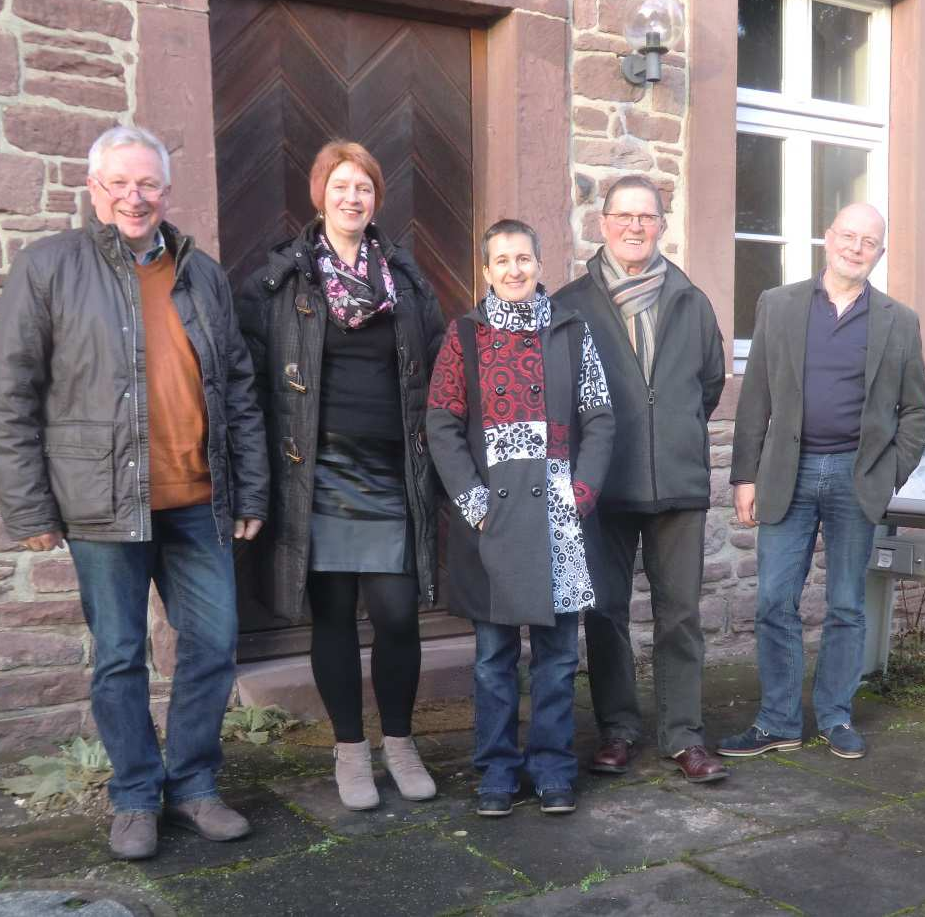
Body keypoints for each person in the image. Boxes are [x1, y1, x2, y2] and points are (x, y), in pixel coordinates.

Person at [0, 125, 268, 860]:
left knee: (212, 645)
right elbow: (12, 393)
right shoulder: (50, 266)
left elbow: (237, 384)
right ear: (94, 190)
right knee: (119, 655)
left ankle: (196, 784)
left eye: (147, 184)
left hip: (198, 499)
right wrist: (28, 508)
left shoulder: (198, 271)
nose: (134, 197)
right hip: (100, 503)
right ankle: (136, 796)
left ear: (165, 192)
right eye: (119, 184)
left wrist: (250, 491)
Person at [235, 141, 446, 812]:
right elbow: (256, 388)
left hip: (390, 467)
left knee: (395, 614)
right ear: (319, 195)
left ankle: (402, 742)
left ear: (376, 199)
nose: (352, 198)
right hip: (316, 471)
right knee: (330, 616)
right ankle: (351, 751)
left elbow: (442, 370)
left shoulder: (408, 283)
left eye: (364, 188)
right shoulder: (281, 281)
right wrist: (254, 481)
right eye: (340, 186)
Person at [721, 203, 925, 761]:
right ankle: (779, 720)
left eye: (869, 241)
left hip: (855, 478)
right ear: (827, 238)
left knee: (846, 605)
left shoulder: (898, 320)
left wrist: (889, 474)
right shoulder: (780, 304)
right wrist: (745, 475)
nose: (856, 247)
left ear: (879, 253)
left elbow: (915, 410)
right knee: (773, 600)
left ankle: (837, 715)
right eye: (848, 236)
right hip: (786, 472)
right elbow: (756, 394)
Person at [427, 219, 613, 816]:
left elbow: (601, 418)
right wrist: (474, 502)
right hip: (495, 519)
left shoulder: (570, 330)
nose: (514, 270)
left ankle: (554, 769)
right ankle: (498, 772)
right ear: (486, 271)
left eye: (524, 259)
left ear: (539, 264)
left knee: (558, 658)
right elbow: (442, 422)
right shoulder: (465, 335)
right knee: (492, 659)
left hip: (558, 515)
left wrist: (581, 492)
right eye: (502, 260)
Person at [553, 175, 729, 784]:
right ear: (602, 224)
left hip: (677, 483)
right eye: (623, 216)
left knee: (679, 614)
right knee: (605, 611)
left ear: (662, 224)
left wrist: (669, 431)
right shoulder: (569, 305)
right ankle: (618, 729)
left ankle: (683, 735)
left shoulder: (691, 299)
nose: (634, 226)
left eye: (646, 217)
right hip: (602, 484)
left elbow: (707, 385)